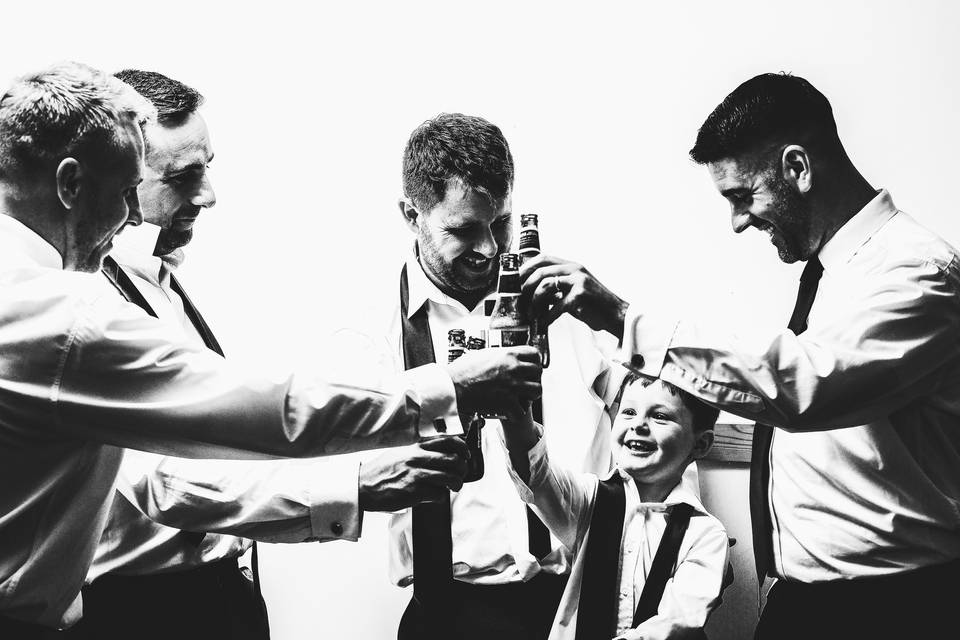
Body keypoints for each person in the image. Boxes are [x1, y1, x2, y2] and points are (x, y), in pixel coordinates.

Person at [0, 62, 540, 637]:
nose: (132, 215)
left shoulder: (111, 288)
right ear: (70, 185)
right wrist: (447, 388)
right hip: (122, 612)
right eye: (129, 191)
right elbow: (251, 414)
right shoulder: (65, 313)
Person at [520, 72, 960, 639]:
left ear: (797, 168)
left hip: (892, 609)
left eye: (742, 195)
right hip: (804, 601)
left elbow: (803, 386)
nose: (737, 221)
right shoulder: (832, 277)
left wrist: (621, 319)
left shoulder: (915, 273)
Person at [330, 112, 655, 640]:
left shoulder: (566, 306)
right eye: (462, 230)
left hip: (573, 601)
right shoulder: (368, 335)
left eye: (499, 223)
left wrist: (677, 531)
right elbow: (348, 471)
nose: (488, 249)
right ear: (411, 215)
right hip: (448, 612)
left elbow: (651, 410)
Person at [502, 372, 727, 640]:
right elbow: (537, 477)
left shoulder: (706, 535)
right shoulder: (590, 499)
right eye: (629, 412)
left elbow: (677, 622)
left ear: (700, 443)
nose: (639, 425)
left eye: (660, 416)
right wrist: (514, 411)